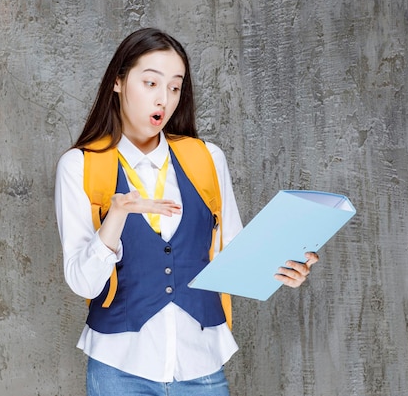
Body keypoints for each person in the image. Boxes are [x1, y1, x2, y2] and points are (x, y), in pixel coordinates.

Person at [54, 28, 318, 396]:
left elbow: (233, 256)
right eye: (150, 83)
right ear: (118, 81)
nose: (163, 98)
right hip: (118, 368)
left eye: (175, 87)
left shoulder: (207, 158)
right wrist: (115, 217)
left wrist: (282, 269)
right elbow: (83, 284)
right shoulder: (80, 165)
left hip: (202, 366)